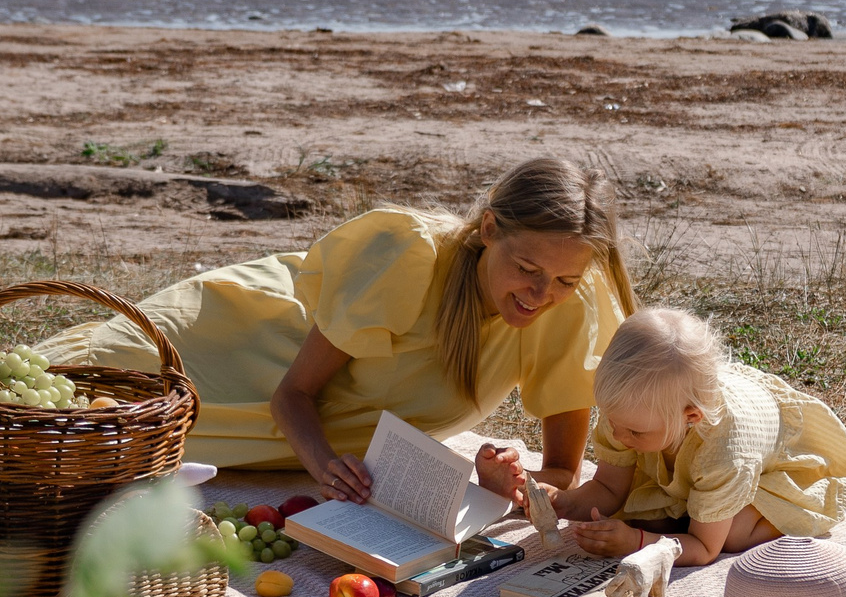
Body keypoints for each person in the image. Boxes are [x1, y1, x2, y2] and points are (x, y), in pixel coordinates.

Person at [34, 157, 633, 497]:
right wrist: (322, 464)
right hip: (236, 344)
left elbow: (559, 472)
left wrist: (510, 480)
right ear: (488, 230)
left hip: (300, 419)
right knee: (62, 412)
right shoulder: (408, 253)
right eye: (527, 269)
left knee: (111, 449)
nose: (540, 294)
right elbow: (292, 396)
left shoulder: (569, 302)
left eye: (562, 280)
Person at [482, 306, 846, 565]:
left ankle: (721, 510)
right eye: (611, 419)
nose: (617, 434)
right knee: (627, 504)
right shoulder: (629, 416)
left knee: (729, 533)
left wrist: (638, 544)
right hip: (684, 441)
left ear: (690, 417)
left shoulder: (726, 451)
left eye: (633, 431)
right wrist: (561, 504)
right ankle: (690, 505)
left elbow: (704, 549)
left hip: (775, 463)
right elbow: (608, 489)